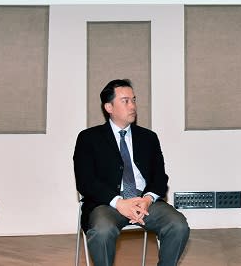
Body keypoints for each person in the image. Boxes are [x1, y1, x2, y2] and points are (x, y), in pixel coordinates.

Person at [73, 79, 190, 266]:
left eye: (134, 100)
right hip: (107, 204)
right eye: (125, 101)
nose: (132, 106)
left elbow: (160, 177)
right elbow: (86, 182)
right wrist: (118, 202)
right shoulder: (88, 138)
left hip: (144, 202)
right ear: (109, 107)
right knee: (102, 231)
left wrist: (148, 199)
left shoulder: (148, 138)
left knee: (178, 225)